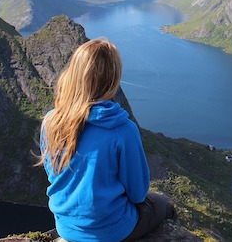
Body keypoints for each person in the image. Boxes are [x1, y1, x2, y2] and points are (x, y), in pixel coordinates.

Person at [38, 38, 176, 242]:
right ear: (112, 80)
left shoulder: (51, 121)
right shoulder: (122, 129)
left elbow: (54, 174)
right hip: (112, 231)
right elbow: (138, 194)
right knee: (164, 206)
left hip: (66, 228)